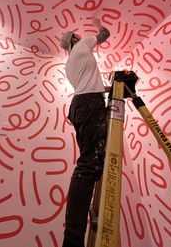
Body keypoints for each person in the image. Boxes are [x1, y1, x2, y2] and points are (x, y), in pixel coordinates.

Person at [59, 17, 110, 247]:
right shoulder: (83, 45)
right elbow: (105, 34)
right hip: (90, 103)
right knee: (89, 164)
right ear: (75, 39)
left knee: (91, 161)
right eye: (78, 34)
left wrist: (105, 88)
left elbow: (88, 84)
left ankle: (73, 235)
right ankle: (72, 240)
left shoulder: (69, 64)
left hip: (79, 105)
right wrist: (98, 23)